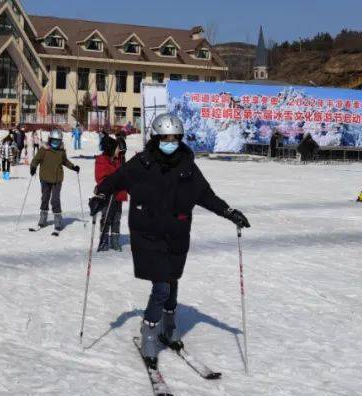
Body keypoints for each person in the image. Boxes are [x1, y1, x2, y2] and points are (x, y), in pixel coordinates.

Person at [91, 113, 249, 367]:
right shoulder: (141, 163)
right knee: (162, 286)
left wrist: (228, 212)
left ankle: (169, 329)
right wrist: (100, 196)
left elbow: (205, 194)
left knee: (172, 281)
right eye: (165, 137)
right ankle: (149, 334)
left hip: (176, 232)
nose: (170, 142)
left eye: (175, 138)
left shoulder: (187, 165)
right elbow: (115, 181)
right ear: (155, 138)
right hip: (147, 233)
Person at [29, 129, 79, 230]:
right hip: (45, 178)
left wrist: (73, 167)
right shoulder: (44, 150)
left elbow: (65, 162)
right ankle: (43, 216)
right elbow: (36, 160)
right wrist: (33, 167)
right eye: (53, 141)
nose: (55, 143)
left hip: (57, 179)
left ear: (60, 141)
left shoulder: (61, 151)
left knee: (55, 199)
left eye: (58, 141)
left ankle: (58, 218)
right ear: (50, 140)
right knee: (45, 198)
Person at [94, 136, 127, 252]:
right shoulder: (103, 161)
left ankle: (115, 240)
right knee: (107, 217)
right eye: (118, 149)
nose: (119, 151)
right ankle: (103, 241)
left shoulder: (119, 160)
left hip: (119, 194)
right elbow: (101, 178)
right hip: (108, 195)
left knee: (117, 217)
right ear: (111, 149)